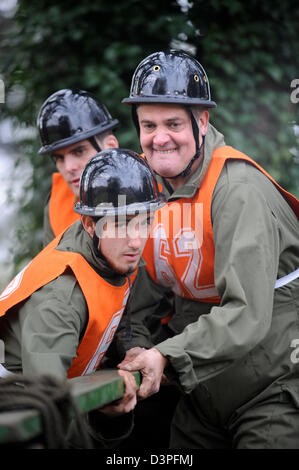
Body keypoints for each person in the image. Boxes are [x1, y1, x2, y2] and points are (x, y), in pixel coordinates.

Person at [117, 50, 299, 449]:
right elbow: (136, 300)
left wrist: (166, 355)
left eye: (173, 124)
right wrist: (134, 345)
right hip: (199, 396)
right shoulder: (150, 192)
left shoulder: (238, 191)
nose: (159, 137)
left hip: (272, 391)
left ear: (202, 121)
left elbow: (247, 313)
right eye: (148, 125)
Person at [0, 148, 165, 448]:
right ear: (90, 225)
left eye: (143, 221)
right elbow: (47, 413)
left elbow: (119, 310)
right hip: (18, 405)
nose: (136, 239)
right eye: (120, 223)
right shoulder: (60, 300)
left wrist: (132, 348)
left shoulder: (111, 250)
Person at [37, 88, 119, 245]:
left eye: (79, 151)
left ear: (110, 146)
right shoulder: (56, 204)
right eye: (59, 158)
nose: (68, 167)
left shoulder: (151, 187)